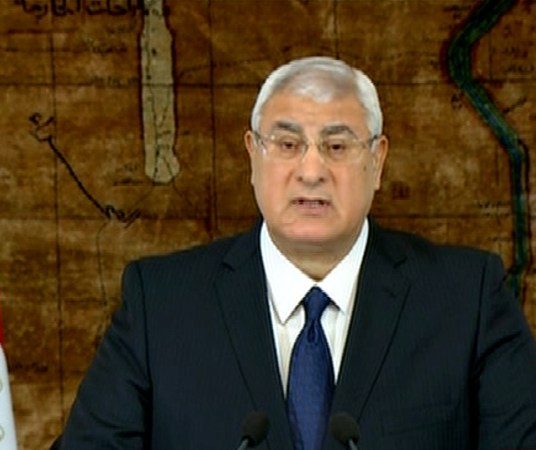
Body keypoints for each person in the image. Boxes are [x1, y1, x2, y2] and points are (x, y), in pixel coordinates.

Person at [53, 56, 536, 449]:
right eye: (287, 144)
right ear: (253, 155)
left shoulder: (467, 300)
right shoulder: (160, 305)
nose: (311, 170)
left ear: (377, 160)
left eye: (337, 146)